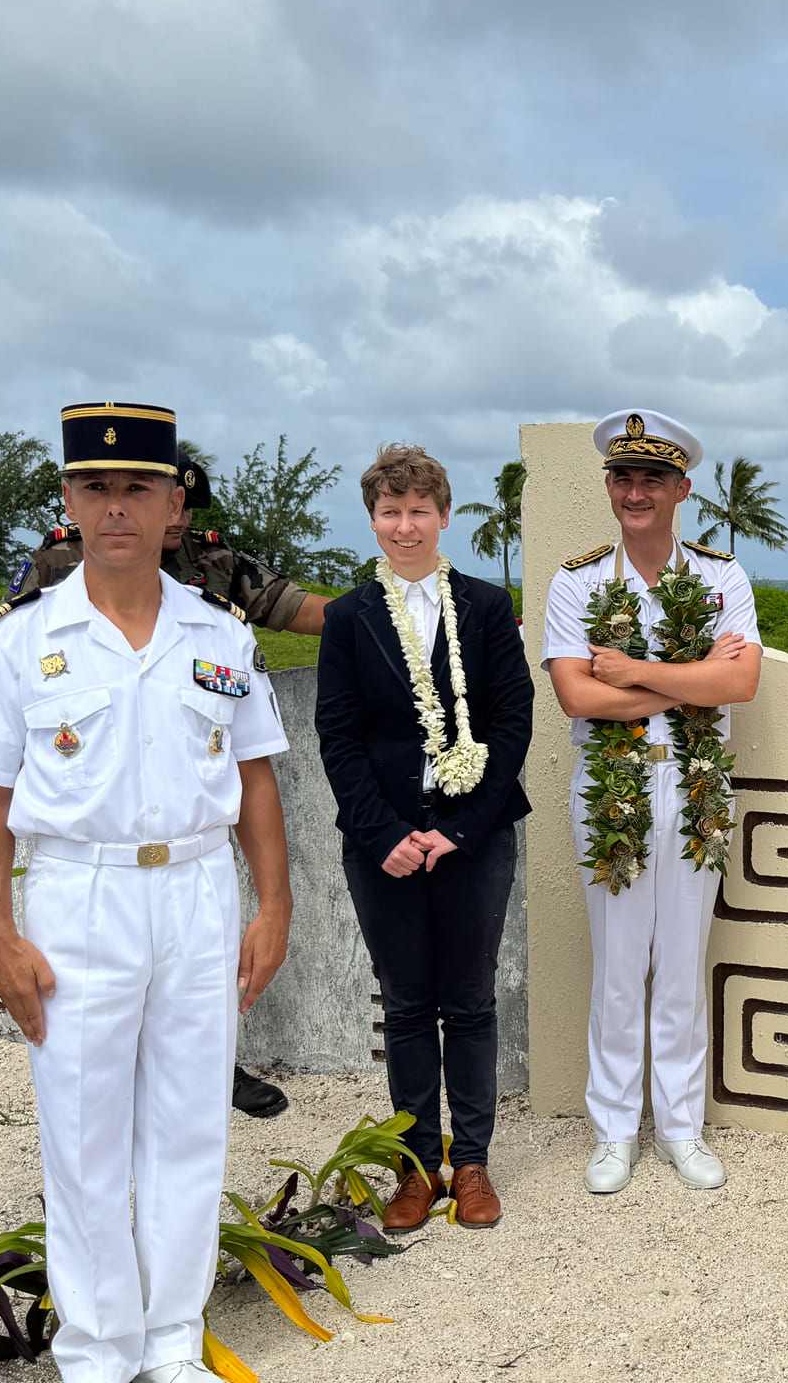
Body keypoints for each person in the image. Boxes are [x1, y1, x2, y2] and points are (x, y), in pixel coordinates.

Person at [0, 401, 293, 1383]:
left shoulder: (220, 633)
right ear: (69, 501)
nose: (117, 506)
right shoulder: (20, 640)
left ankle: (170, 1345)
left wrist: (275, 906)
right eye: (97, 487)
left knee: (187, 1129)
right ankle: (95, 1352)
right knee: (82, 1135)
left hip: (200, 894)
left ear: (175, 507)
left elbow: (256, 780)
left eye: (139, 488)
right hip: (79, 901)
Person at [10, 449, 319, 1120]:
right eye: (103, 489)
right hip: (89, 855)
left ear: (179, 505)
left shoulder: (214, 572)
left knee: (193, 1059)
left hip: (194, 832)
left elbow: (293, 607)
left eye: (159, 498)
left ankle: (219, 1068)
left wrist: (398, 611)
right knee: (87, 1097)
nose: (136, 512)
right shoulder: (58, 565)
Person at [541, 410, 761, 1194]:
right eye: (624, 477)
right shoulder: (578, 580)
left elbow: (738, 682)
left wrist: (631, 673)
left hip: (695, 786)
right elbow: (575, 697)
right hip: (613, 789)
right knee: (618, 963)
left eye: (653, 479)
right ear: (609, 487)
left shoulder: (721, 576)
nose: (637, 492)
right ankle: (611, 1133)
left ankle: (680, 1128)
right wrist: (684, 675)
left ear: (682, 490)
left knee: (680, 963)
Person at [316, 444, 534, 1232]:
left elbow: (513, 721)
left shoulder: (483, 605)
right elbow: (336, 737)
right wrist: (384, 835)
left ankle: (471, 1162)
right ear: (372, 518)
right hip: (385, 845)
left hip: (474, 838)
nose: (404, 526)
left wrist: (463, 830)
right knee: (406, 1004)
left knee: (470, 1001)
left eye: (418, 511)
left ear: (443, 515)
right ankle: (416, 1168)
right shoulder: (347, 618)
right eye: (389, 512)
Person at [10, 448, 330, 637]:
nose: (179, 520)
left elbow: (300, 610)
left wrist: (378, 613)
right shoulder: (58, 557)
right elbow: (11, 633)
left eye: (186, 508)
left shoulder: (212, 557)